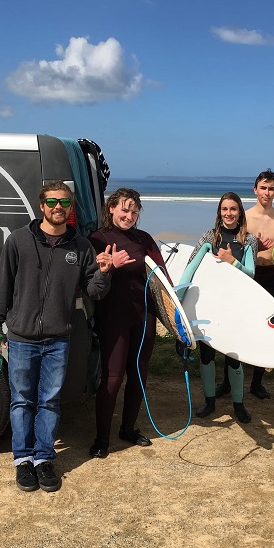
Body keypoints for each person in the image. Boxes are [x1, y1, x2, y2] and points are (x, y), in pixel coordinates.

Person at [0, 181, 123, 492]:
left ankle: (43, 459)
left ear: (70, 207)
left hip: (58, 338)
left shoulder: (81, 247)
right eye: (52, 201)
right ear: (42, 206)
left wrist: (104, 271)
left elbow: (94, 292)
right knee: (22, 401)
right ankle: (22, 460)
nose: (58, 207)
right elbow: (2, 287)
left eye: (64, 202)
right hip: (21, 337)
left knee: (49, 401)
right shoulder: (18, 241)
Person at [87, 188, 168, 459]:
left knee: (139, 372)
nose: (129, 215)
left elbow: (162, 274)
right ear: (111, 208)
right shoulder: (98, 239)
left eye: (134, 211)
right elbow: (88, 278)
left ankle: (128, 428)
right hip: (113, 315)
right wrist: (108, 265)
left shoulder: (143, 239)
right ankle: (101, 438)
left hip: (144, 315)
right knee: (112, 377)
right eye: (124, 209)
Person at [221, 169, 274, 400]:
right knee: (237, 328)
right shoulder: (243, 217)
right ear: (255, 190)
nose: (267, 192)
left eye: (271, 188)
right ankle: (227, 381)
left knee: (268, 329)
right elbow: (233, 249)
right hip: (248, 276)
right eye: (263, 188)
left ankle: (257, 383)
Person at [180, 192, 258, 423]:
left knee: (234, 358)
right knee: (207, 356)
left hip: (235, 307)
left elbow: (251, 274)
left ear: (240, 212)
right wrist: (179, 302)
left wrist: (232, 261)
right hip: (210, 305)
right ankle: (210, 401)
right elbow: (190, 268)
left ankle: (238, 404)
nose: (228, 213)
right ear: (219, 212)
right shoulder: (209, 237)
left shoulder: (249, 240)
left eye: (233, 209)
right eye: (224, 209)